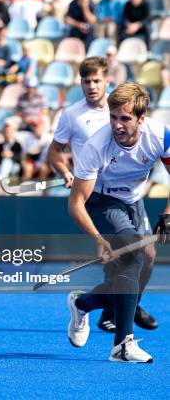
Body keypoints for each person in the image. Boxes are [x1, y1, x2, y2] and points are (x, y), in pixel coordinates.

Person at [48, 57, 157, 333]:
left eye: (97, 80)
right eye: (86, 81)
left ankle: (100, 304)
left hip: (132, 194)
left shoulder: (122, 105)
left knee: (148, 256)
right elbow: (55, 152)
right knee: (127, 260)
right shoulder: (73, 115)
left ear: (107, 81)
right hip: (97, 190)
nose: (92, 86)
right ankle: (118, 321)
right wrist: (65, 171)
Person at [66, 82, 169, 363]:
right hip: (102, 201)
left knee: (146, 258)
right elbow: (75, 204)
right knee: (134, 257)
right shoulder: (96, 146)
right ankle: (122, 345)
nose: (117, 125)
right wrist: (99, 240)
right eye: (113, 117)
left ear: (141, 118)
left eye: (125, 118)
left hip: (134, 201)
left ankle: (82, 303)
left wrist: (168, 213)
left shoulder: (160, 135)